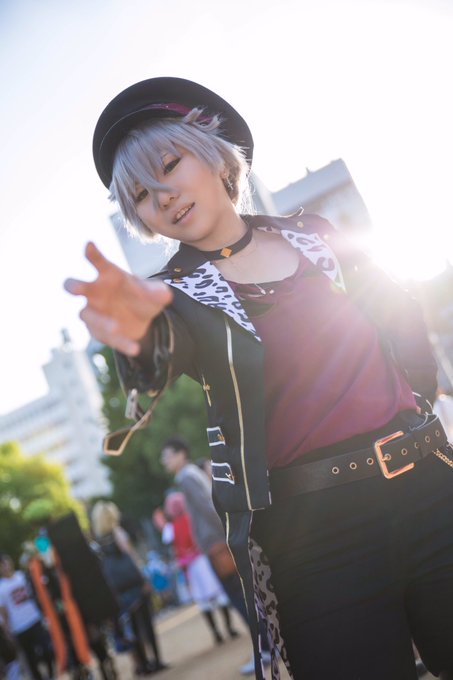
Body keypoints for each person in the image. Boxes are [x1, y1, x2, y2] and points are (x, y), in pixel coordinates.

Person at [63, 76, 453, 680]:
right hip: (318, 540)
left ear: (215, 155)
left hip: (432, 491)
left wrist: (420, 401)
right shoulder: (173, 295)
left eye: (169, 165)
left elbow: (397, 313)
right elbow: (158, 353)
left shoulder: (315, 233)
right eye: (140, 195)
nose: (163, 197)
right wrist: (139, 339)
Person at [160, 436, 270, 674]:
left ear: (181, 454)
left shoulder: (187, 478)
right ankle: (266, 645)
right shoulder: (191, 475)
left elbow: (209, 509)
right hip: (217, 542)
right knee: (242, 595)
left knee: (240, 598)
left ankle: (264, 649)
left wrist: (226, 535)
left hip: (216, 545)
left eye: (167, 456)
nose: (164, 461)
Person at [91, 501, 167, 676]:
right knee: (146, 625)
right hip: (135, 584)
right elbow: (132, 557)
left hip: (119, 590)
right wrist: (144, 578)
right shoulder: (118, 533)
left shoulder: (98, 543)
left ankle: (143, 664)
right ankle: (156, 660)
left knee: (132, 628)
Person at [162, 490, 239, 645]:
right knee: (219, 594)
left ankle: (216, 632)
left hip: (191, 566)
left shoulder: (171, 527)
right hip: (202, 560)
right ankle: (229, 627)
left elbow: (171, 545)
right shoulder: (190, 518)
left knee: (203, 600)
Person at [0, 554, 55, 680]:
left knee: (47, 649)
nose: (5, 567)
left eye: (6, 563)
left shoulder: (22, 576)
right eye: (2, 565)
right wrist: (8, 631)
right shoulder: (1, 588)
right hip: (19, 627)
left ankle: (51, 674)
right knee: (31, 659)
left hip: (35, 619)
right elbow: (3, 612)